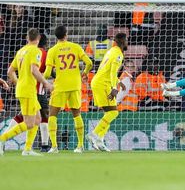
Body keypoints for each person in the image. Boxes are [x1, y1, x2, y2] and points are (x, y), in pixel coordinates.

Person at [0, 28, 52, 156]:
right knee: (29, 123)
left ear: (27, 38)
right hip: (28, 90)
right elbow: (34, 70)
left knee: (38, 119)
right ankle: (1, 139)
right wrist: (46, 83)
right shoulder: (36, 51)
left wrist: (18, 83)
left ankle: (27, 149)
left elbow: (10, 71)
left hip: (24, 89)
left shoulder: (21, 51)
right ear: (38, 39)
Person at [44, 26, 93, 154]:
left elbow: (48, 72)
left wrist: (40, 80)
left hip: (60, 86)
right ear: (66, 35)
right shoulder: (75, 47)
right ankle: (80, 146)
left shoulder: (52, 51)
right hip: (75, 86)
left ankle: (54, 147)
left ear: (56, 36)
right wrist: (85, 73)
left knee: (52, 115)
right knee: (76, 115)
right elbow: (89, 63)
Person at [87, 33, 127, 152]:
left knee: (109, 113)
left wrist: (119, 82)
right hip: (102, 84)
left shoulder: (111, 51)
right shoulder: (118, 54)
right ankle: (94, 135)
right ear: (122, 42)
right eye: (126, 40)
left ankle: (100, 141)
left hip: (100, 82)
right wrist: (115, 87)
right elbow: (113, 72)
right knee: (113, 113)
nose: (127, 42)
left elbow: (107, 69)